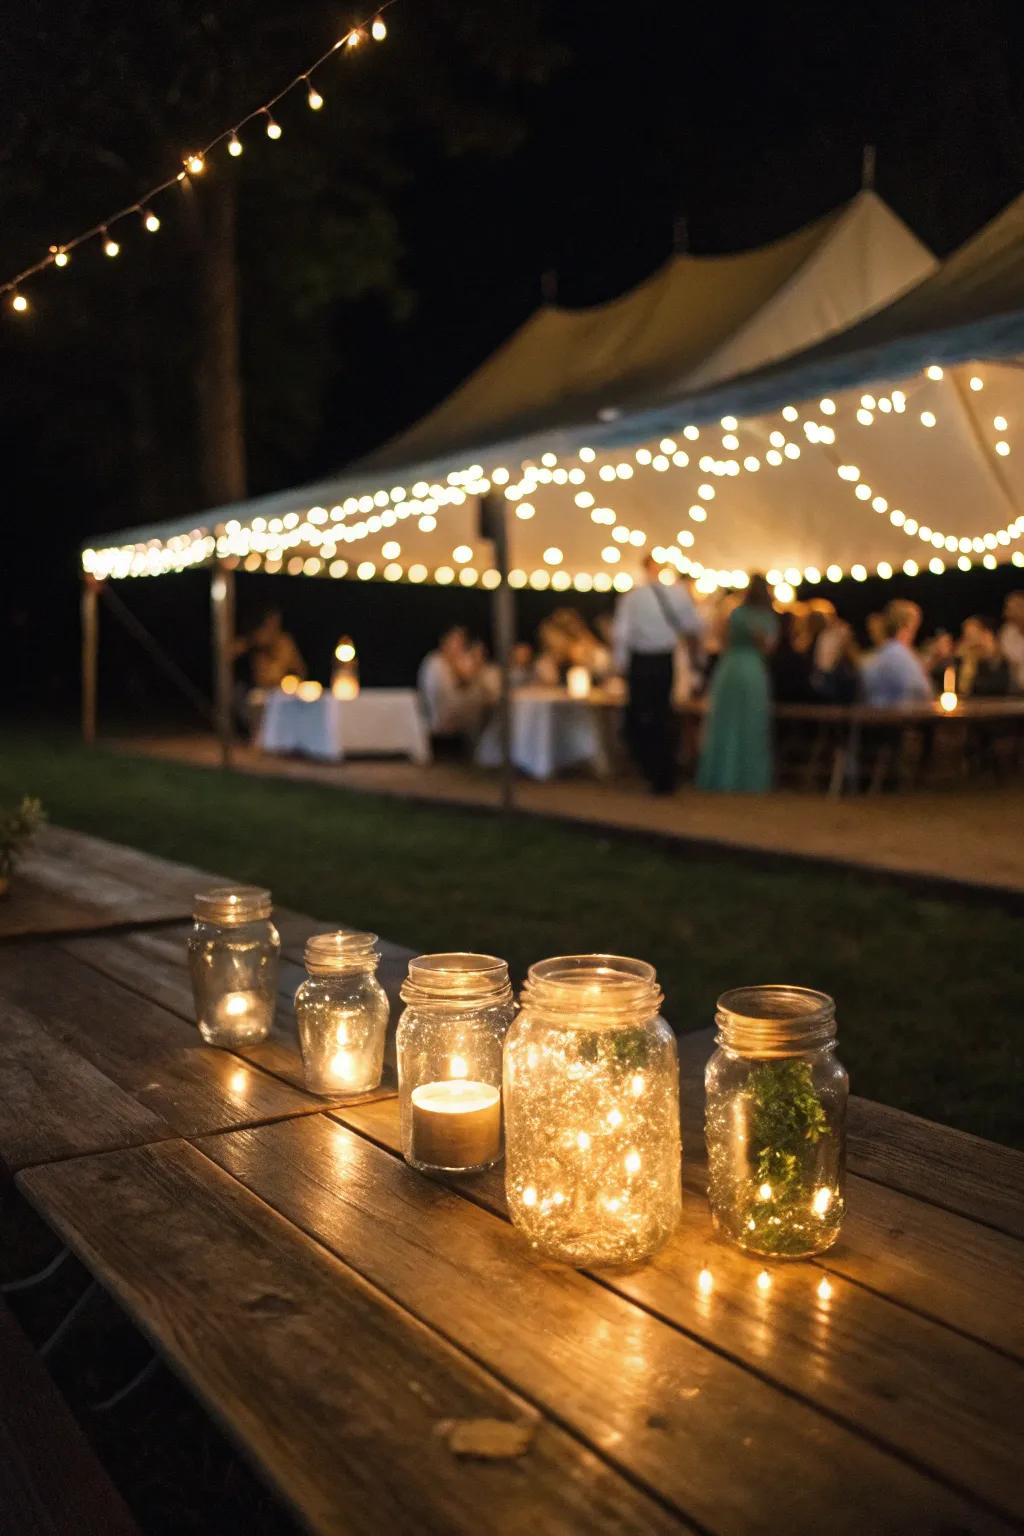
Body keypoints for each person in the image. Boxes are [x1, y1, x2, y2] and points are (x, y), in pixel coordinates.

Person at [612, 554, 703, 794]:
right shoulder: (674, 594)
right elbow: (693, 626)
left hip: (643, 661)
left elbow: (621, 633)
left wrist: (621, 665)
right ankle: (662, 773)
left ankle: (654, 770)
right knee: (661, 715)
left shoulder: (633, 597)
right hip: (661, 660)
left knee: (644, 716)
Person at [696, 574, 779, 792]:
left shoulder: (736, 613)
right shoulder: (766, 618)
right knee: (749, 724)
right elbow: (769, 648)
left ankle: (722, 775)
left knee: (727, 723)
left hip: (730, 668)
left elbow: (720, 639)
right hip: (752, 670)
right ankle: (747, 779)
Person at [417, 626, 487, 750]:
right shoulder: (435, 661)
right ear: (445, 642)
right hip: (441, 711)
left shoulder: (461, 661)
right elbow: (437, 692)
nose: (458, 645)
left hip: (462, 708)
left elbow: (467, 682)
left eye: (461, 641)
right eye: (455, 640)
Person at [860, 600, 932, 705]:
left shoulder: (882, 654)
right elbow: (921, 691)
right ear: (908, 625)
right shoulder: (898, 655)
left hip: (878, 716)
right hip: (899, 718)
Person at [235, 609, 305, 689]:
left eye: (275, 623)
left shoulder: (285, 642)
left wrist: (291, 680)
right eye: (268, 623)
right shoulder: (252, 643)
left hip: (281, 692)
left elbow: (300, 671)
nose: (272, 627)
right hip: (257, 692)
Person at [953, 615, 1011, 698]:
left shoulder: (997, 659)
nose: (970, 641)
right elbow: (961, 689)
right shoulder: (962, 659)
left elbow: (999, 687)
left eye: (973, 634)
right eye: (967, 635)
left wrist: (991, 655)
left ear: (987, 635)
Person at [998, 592, 1024, 692]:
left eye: (1015, 607)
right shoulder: (1007, 632)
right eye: (1008, 608)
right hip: (1016, 692)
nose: (1008, 612)